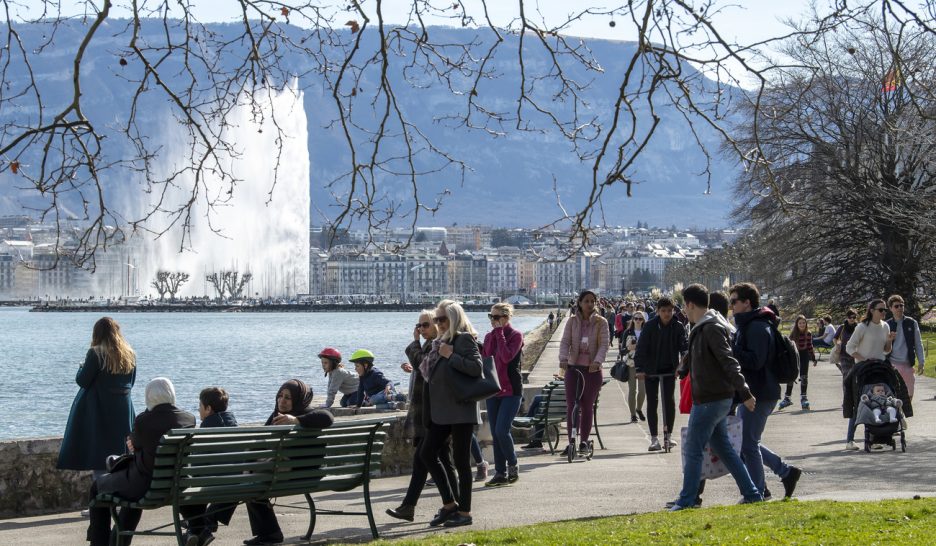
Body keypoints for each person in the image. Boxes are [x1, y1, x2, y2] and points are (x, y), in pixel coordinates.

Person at [670, 283, 762, 511]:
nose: (684, 310)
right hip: (717, 398)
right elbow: (700, 356)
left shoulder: (710, 328)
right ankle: (751, 493)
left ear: (690, 304)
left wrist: (745, 392)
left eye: (684, 305)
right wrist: (683, 368)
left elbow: (729, 361)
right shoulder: (704, 325)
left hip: (710, 399)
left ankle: (687, 499)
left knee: (693, 449)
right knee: (725, 450)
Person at [86, 378, 196, 546]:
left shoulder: (144, 421)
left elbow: (135, 444)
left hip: (145, 485)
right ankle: (117, 542)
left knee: (97, 487)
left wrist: (133, 443)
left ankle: (98, 542)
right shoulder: (189, 419)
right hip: (178, 483)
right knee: (131, 494)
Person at [729, 282, 802, 499]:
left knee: (748, 445)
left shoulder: (758, 326)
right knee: (747, 443)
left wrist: (732, 349)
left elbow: (756, 361)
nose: (731, 306)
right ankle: (785, 472)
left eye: (734, 301)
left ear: (746, 303)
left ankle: (758, 492)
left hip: (760, 392)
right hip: (757, 391)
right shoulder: (751, 324)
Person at [386, 311, 458, 523]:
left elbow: (422, 364)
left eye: (426, 324)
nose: (421, 328)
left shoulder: (435, 346)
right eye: (419, 325)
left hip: (433, 414)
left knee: (430, 458)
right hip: (426, 413)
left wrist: (414, 343)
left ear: (437, 325)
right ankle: (412, 506)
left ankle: (451, 504)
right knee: (433, 459)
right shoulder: (431, 345)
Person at [244, 379, 334, 545]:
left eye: (287, 397)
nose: (281, 401)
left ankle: (270, 533)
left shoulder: (306, 415)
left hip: (297, 476)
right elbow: (259, 441)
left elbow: (328, 417)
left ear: (300, 399)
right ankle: (268, 533)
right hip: (291, 474)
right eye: (280, 396)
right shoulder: (277, 416)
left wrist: (296, 421)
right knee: (248, 475)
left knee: (249, 480)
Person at [419, 300, 484, 528]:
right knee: (426, 453)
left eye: (442, 319)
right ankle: (449, 504)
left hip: (461, 409)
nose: (439, 323)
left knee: (461, 462)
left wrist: (450, 355)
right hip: (442, 412)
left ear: (455, 318)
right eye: (436, 319)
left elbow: (476, 368)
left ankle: (464, 513)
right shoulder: (440, 342)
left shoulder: (463, 339)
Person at [59, 317, 137, 491]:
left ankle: (100, 502)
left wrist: (81, 367)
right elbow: (131, 382)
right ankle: (117, 496)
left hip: (99, 411)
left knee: (99, 454)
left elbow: (82, 381)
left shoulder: (95, 353)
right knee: (120, 453)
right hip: (122, 410)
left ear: (97, 334)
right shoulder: (130, 354)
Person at [179, 387, 239, 546]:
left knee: (186, 487)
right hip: (239, 485)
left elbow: (197, 471)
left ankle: (197, 528)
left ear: (208, 408)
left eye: (200, 405)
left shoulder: (205, 430)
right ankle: (202, 527)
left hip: (211, 486)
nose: (198, 409)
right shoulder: (234, 425)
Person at [557, 289, 609, 456]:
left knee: (587, 406)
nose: (589, 304)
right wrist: (564, 359)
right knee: (572, 404)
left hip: (592, 371)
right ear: (579, 303)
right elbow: (565, 342)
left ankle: (584, 441)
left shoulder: (601, 322)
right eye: (586, 301)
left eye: (592, 301)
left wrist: (597, 362)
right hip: (573, 368)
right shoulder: (572, 322)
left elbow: (604, 345)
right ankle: (571, 440)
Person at [634, 297, 688, 451]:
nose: (667, 314)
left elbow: (684, 348)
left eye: (670, 311)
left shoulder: (678, 326)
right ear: (657, 311)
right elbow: (641, 349)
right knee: (652, 402)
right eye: (663, 311)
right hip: (650, 371)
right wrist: (640, 369)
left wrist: (681, 366)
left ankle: (668, 435)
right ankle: (654, 438)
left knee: (669, 402)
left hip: (670, 370)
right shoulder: (650, 326)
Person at [482, 302, 524, 487]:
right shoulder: (489, 336)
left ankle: (512, 464)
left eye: (496, 317)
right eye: (491, 316)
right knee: (494, 433)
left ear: (506, 318)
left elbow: (507, 357)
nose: (493, 320)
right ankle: (500, 473)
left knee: (501, 430)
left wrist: (499, 333)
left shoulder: (516, 336)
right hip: (493, 389)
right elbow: (487, 358)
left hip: (511, 390)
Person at [844, 299, 895, 451]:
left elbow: (886, 350)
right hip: (863, 369)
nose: (884, 313)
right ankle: (850, 439)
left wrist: (890, 341)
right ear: (872, 310)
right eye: (881, 310)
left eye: (885, 310)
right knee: (860, 401)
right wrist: (864, 359)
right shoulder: (862, 327)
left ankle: (875, 437)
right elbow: (849, 347)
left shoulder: (885, 326)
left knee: (879, 401)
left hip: (879, 368)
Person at [885, 295, 925, 400]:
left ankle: (904, 413)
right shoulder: (886, 325)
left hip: (907, 363)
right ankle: (898, 414)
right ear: (890, 308)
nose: (899, 308)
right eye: (896, 306)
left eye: (901, 305)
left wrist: (921, 361)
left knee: (909, 393)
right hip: (892, 364)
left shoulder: (912, 323)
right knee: (893, 393)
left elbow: (918, 343)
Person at [780, 315, 817, 410]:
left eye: (803, 323)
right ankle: (787, 398)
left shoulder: (808, 333)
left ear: (806, 324)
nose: (802, 325)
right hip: (794, 356)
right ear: (797, 324)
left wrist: (813, 357)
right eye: (800, 323)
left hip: (804, 355)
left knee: (804, 377)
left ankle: (803, 397)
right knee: (791, 376)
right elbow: (788, 347)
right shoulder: (793, 334)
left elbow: (810, 346)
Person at [622, 311, 647, 423]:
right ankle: (633, 414)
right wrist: (630, 348)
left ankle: (639, 409)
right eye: (636, 318)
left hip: (643, 364)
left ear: (643, 320)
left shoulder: (646, 332)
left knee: (642, 390)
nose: (637, 321)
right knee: (632, 390)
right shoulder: (628, 332)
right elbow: (622, 350)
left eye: (640, 319)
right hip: (631, 364)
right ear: (633, 319)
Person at [833, 309, 859, 378]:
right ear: (847, 317)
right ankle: (846, 388)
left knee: (855, 376)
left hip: (855, 355)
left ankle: (853, 388)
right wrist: (837, 345)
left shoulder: (858, 327)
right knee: (846, 375)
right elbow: (835, 338)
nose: (852, 319)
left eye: (854, 317)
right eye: (850, 317)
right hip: (844, 355)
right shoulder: (842, 327)